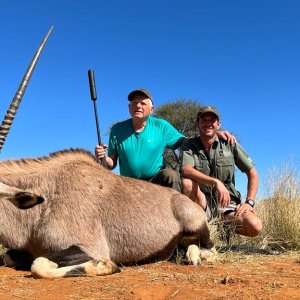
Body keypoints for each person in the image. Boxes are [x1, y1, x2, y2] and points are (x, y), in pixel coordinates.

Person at [95, 89, 234, 192]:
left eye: (143, 103)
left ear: (151, 110)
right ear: (129, 107)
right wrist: (102, 157)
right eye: (134, 103)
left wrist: (212, 134)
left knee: (171, 176)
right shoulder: (117, 129)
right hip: (127, 182)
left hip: (155, 178)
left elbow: (187, 143)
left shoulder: (161, 126)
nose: (138, 106)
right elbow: (111, 164)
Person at [180, 105, 262, 237]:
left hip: (227, 203)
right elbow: (186, 169)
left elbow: (252, 173)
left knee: (255, 226)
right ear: (197, 124)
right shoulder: (189, 144)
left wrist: (249, 202)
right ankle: (197, 231)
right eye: (204, 120)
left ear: (218, 124)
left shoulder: (230, 143)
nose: (208, 123)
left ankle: (223, 228)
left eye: (212, 120)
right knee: (187, 183)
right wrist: (215, 182)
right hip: (201, 202)